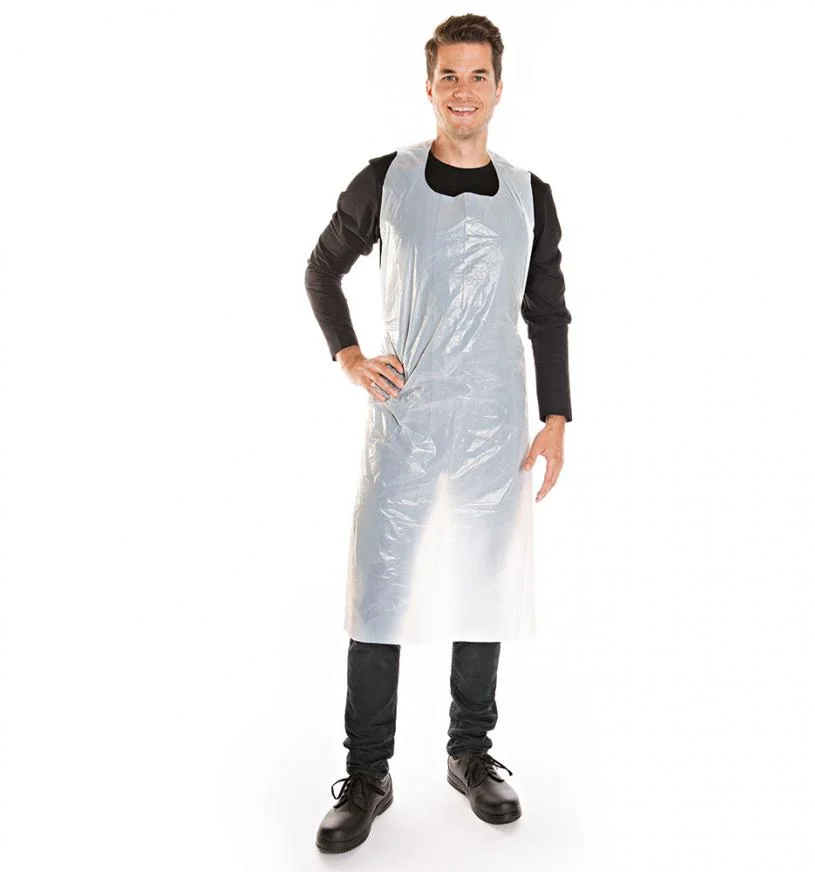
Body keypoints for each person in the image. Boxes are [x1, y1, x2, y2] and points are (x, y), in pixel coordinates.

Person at [304, 14, 572, 853]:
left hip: (493, 424)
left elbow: (547, 312)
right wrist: (351, 356)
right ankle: (367, 772)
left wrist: (556, 417)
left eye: (477, 75)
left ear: (499, 86)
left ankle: (470, 752)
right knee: (380, 590)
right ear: (429, 86)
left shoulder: (530, 196)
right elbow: (322, 268)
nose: (463, 90)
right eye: (449, 75)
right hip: (408, 422)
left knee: (482, 582)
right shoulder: (387, 181)